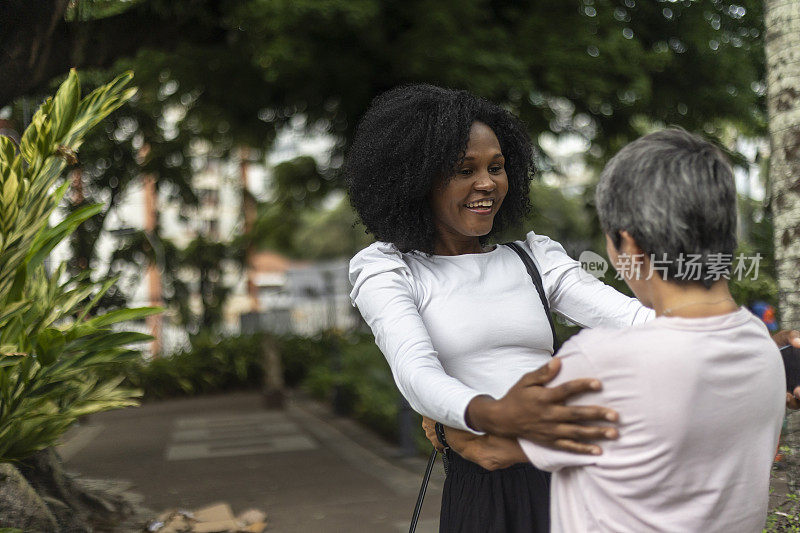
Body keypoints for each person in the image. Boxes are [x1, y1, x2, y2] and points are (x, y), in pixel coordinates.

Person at [346, 85, 799, 532]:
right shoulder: (388, 269)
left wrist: (752, 342)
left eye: (497, 167)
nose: (486, 183)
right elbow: (416, 372)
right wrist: (491, 414)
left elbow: (641, 321)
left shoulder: (532, 258)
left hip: (566, 470)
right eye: (464, 170)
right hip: (485, 484)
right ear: (417, 179)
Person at [452, 129, 785, 532]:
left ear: (628, 246)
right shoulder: (760, 344)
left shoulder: (602, 360)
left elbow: (491, 452)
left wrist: (440, 425)